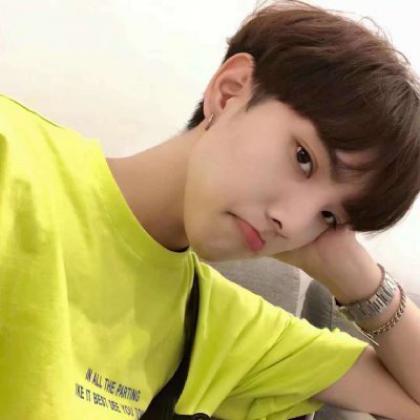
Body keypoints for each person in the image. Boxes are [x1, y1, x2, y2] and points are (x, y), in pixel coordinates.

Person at [0, 1, 419, 419]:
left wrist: (360, 282)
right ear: (230, 91)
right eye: (303, 158)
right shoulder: (13, 158)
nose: (291, 223)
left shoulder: (216, 324)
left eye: (328, 217)